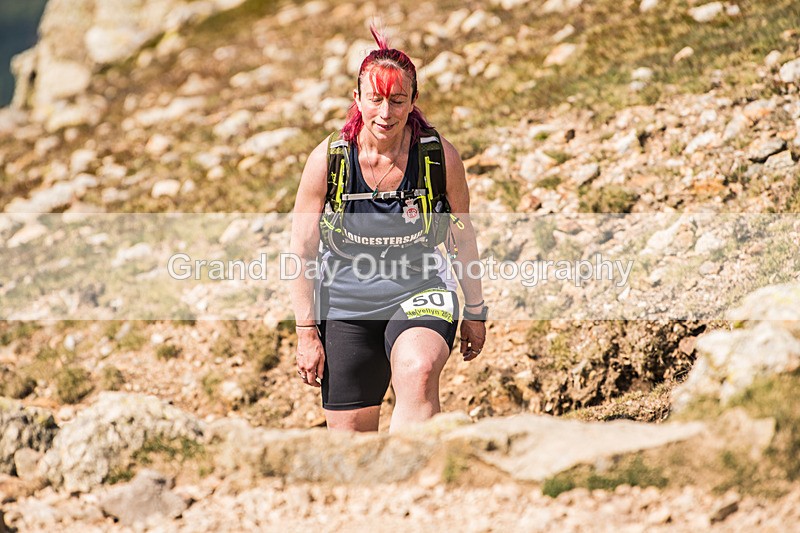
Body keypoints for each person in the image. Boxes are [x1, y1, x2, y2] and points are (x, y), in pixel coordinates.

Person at [289, 25, 486, 433]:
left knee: (419, 369)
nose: (385, 113)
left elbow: (463, 239)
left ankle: (417, 485)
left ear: (413, 100)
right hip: (344, 302)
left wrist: (476, 311)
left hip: (421, 289)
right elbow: (302, 252)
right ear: (356, 99)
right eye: (375, 100)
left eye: (398, 101)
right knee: (351, 447)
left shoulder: (437, 156)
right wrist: (306, 332)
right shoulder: (329, 160)